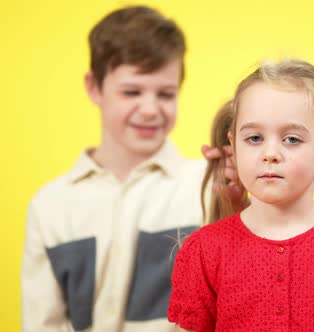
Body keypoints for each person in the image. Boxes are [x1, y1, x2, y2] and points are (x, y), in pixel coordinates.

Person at [168, 59, 314, 331]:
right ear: (233, 146)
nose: (270, 153)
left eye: (291, 139)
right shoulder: (203, 251)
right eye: (255, 138)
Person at [21, 6, 206, 331]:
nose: (150, 110)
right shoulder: (49, 205)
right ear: (94, 87)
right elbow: (42, 323)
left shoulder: (207, 186)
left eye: (166, 94)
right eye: (131, 92)